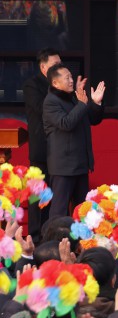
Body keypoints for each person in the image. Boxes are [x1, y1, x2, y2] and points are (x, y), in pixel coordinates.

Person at [41, 64, 104, 218]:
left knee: (82, 211)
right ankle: (56, 235)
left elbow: (93, 119)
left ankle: (79, 235)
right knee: (59, 211)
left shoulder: (74, 98)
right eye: (67, 78)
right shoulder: (51, 101)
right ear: (55, 83)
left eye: (71, 77)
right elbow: (66, 123)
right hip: (63, 166)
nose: (71, 81)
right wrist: (82, 104)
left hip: (80, 164)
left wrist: (95, 103)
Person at [22, 48, 60, 241]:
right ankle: (35, 237)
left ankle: (51, 235)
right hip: (41, 149)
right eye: (55, 65)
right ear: (43, 67)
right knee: (38, 194)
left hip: (60, 150)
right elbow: (42, 108)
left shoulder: (62, 85)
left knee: (55, 195)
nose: (59, 68)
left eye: (60, 64)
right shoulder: (32, 85)